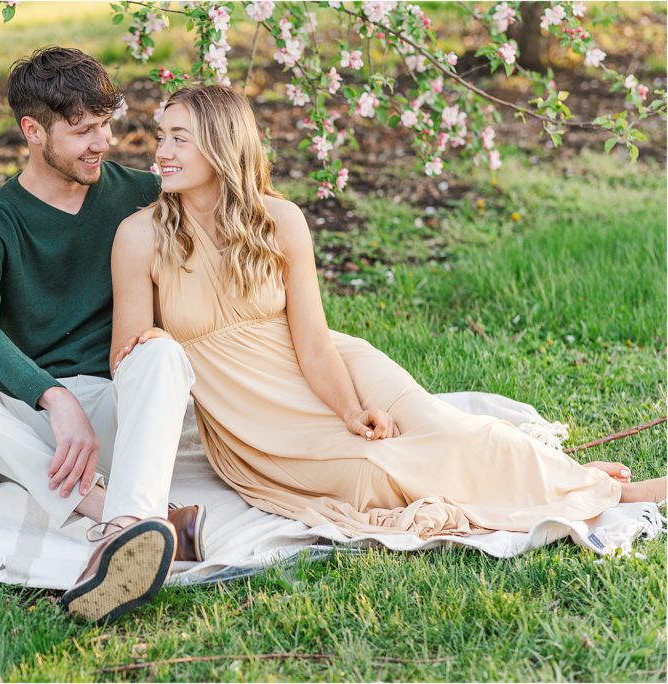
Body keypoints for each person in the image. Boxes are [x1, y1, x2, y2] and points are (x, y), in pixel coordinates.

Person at [110, 84, 666, 539]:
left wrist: (351, 410)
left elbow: (313, 339)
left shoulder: (279, 221)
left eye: (179, 139)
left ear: (221, 145)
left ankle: (605, 490)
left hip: (332, 366)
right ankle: (558, 483)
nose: (161, 152)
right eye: (162, 137)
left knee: (452, 432)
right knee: (372, 474)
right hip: (253, 419)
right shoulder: (139, 237)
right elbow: (131, 362)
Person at [0, 48, 206, 626]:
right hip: (39, 423)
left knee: (162, 353)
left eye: (106, 124)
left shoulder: (143, 194)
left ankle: (123, 526)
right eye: (84, 130)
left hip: (122, 412)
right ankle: (122, 513)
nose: (104, 142)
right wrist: (53, 396)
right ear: (33, 130)